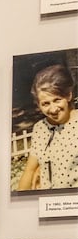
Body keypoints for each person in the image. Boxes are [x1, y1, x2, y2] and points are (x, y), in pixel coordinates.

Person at [17, 63, 78, 192]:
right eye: (45, 103)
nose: (53, 109)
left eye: (57, 100)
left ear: (68, 95)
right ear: (38, 104)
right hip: (47, 204)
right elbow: (30, 170)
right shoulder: (40, 128)